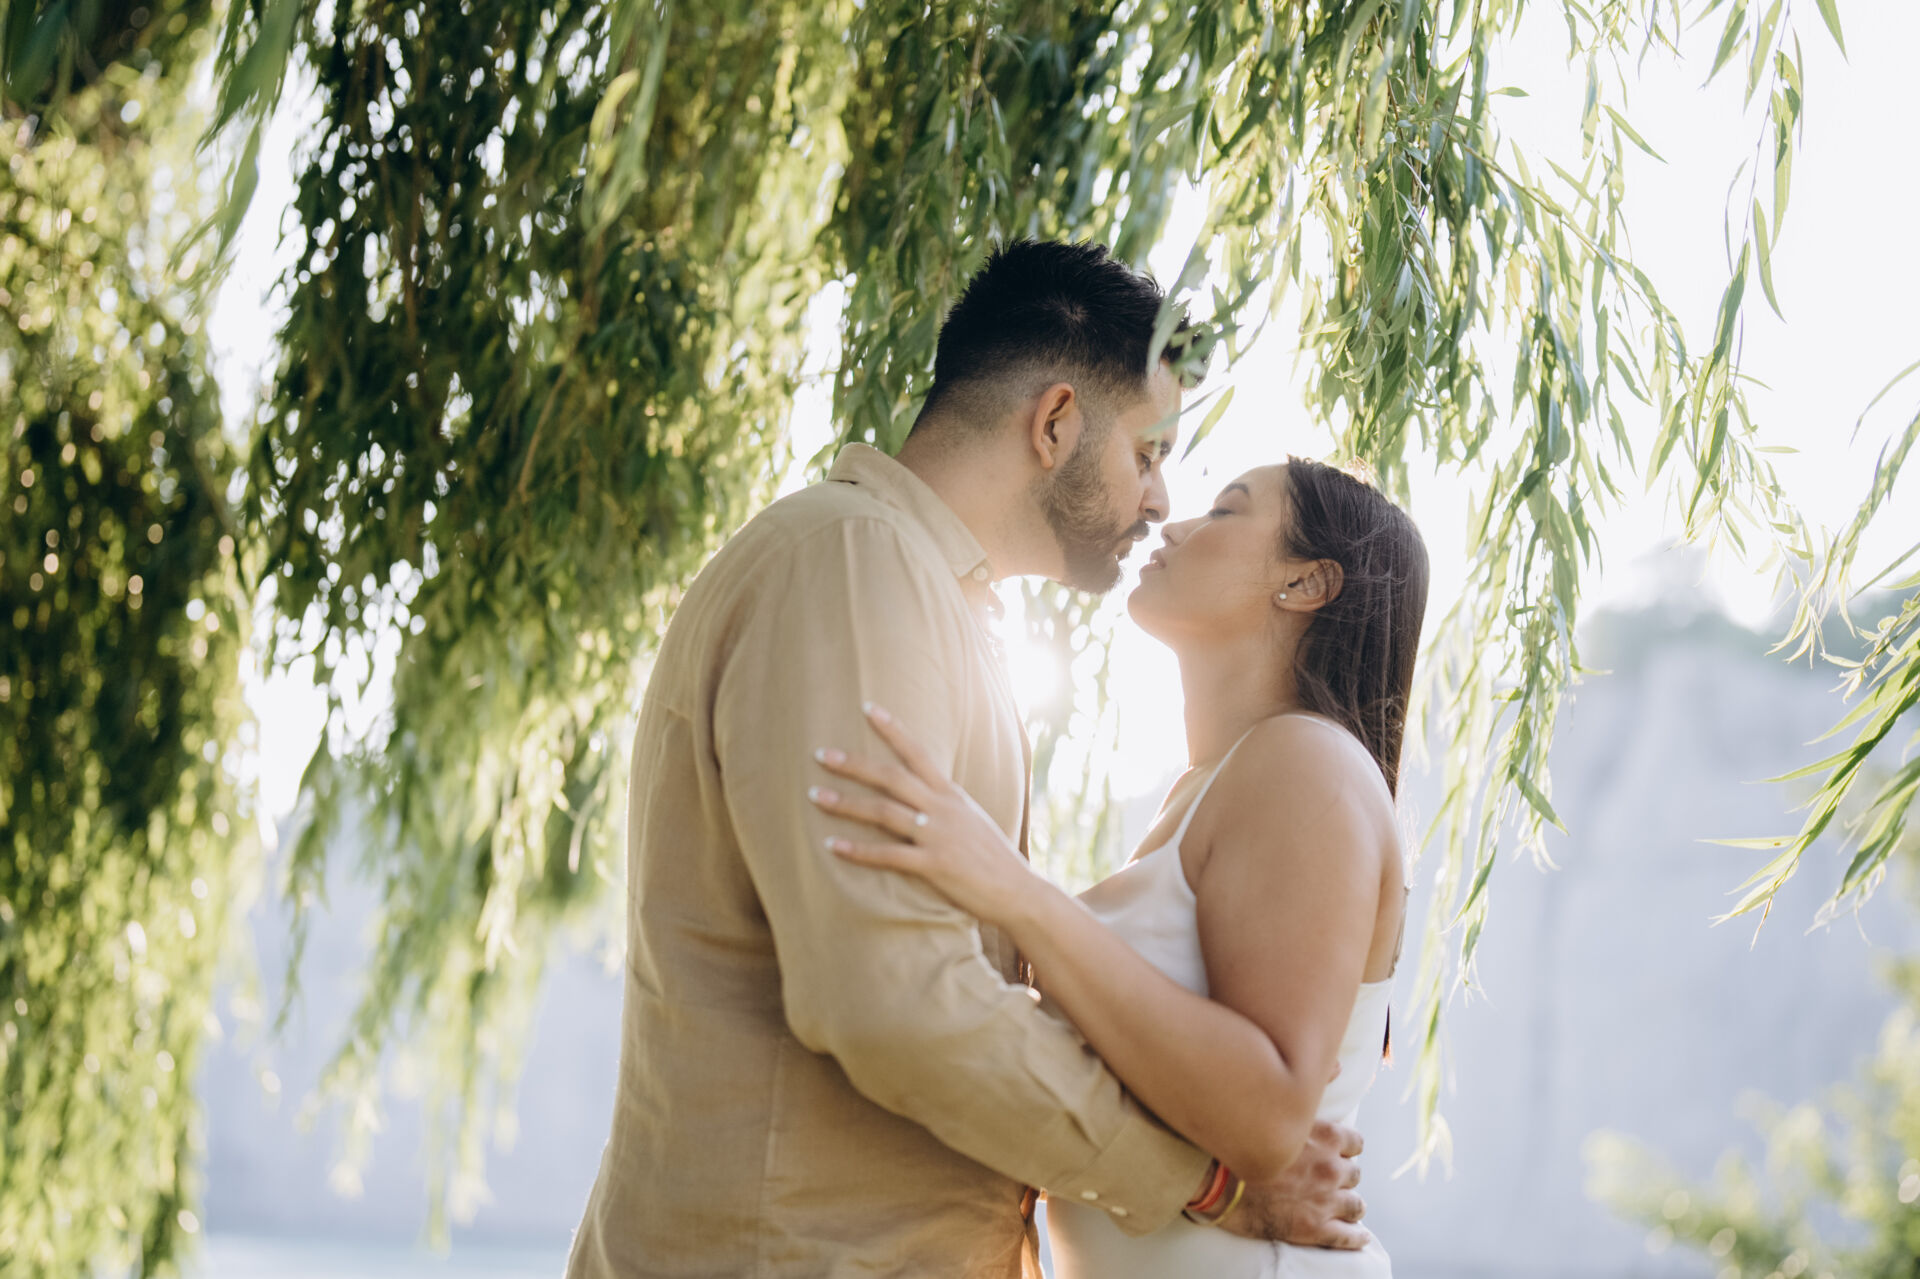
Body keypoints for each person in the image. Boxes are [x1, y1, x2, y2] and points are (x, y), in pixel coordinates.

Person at [566, 240, 1368, 1279]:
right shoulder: (851, 563)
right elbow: (890, 992)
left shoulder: (930, 604)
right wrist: (1199, 1181)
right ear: (1056, 422)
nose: (1161, 499)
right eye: (1148, 453)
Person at [810, 457, 1427, 1276]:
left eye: (1225, 511)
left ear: (1306, 582)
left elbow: (1270, 1113)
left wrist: (1021, 895)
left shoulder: (1306, 762)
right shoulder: (1217, 787)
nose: (1174, 522)